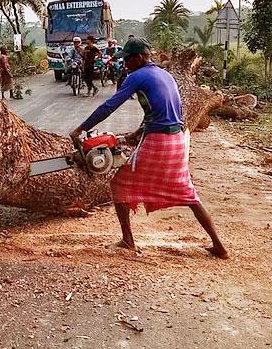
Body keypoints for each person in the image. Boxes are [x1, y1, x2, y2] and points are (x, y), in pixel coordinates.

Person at [69, 37, 228, 258]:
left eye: (129, 60)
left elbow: (110, 106)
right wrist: (138, 133)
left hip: (159, 142)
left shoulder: (138, 76)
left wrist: (81, 128)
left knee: (119, 184)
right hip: (177, 142)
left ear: (141, 57)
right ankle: (220, 247)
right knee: (189, 195)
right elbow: (165, 111)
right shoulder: (165, 74)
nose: (126, 64)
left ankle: (128, 241)